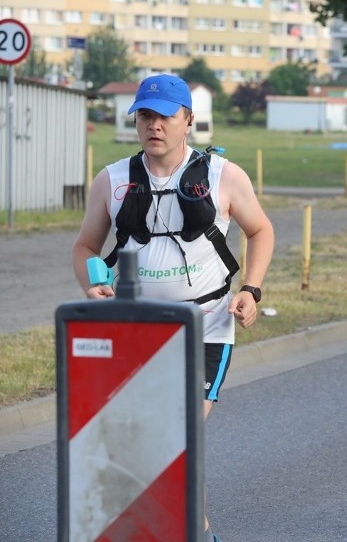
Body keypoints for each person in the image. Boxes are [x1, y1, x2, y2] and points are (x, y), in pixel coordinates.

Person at [71, 74, 275, 542]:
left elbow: (261, 231)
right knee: (147, 442)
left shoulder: (224, 175)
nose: (154, 125)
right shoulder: (113, 179)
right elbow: (84, 246)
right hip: (134, 330)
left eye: (164, 115)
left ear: (188, 121)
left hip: (206, 326)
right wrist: (93, 283)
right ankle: (194, 530)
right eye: (145, 115)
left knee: (174, 433)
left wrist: (253, 289)